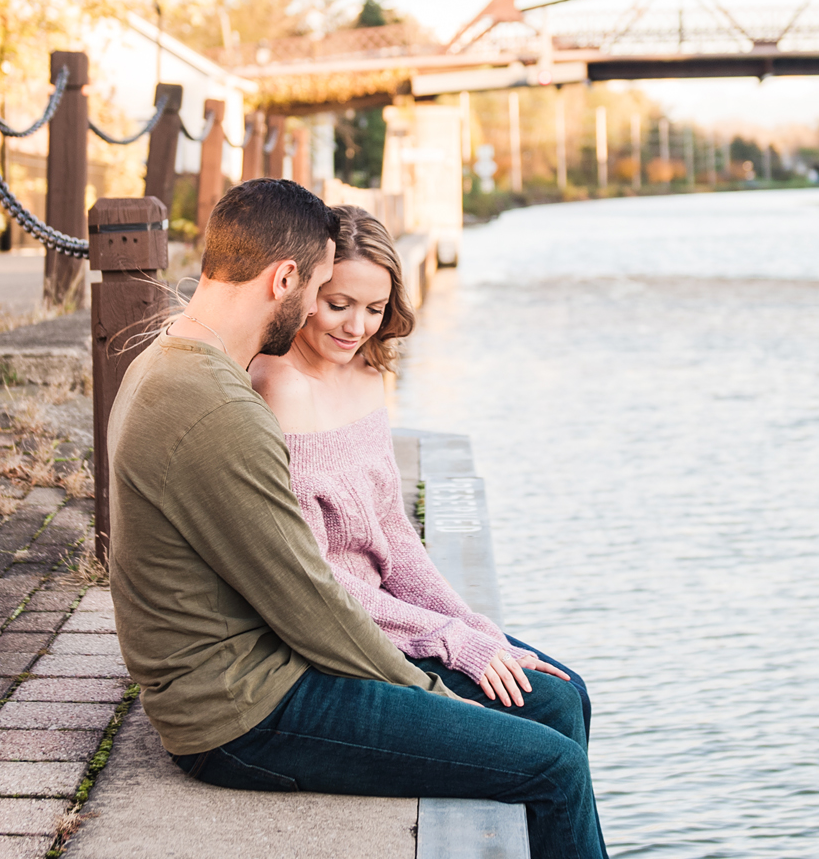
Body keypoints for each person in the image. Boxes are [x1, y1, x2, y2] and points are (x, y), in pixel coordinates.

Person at [106, 179, 691, 859]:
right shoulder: (220, 403)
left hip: (263, 671)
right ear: (284, 281)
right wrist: (435, 685)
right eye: (319, 290)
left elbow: (343, 564)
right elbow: (311, 598)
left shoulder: (183, 366)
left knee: (554, 708)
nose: (328, 315)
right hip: (244, 710)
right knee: (551, 764)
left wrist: (472, 629)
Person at [251, 205, 592, 739]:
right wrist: (447, 638)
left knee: (570, 689)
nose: (356, 327)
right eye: (338, 304)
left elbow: (391, 531)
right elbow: (316, 576)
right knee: (550, 706)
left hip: (390, 615)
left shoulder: (364, 371)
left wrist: (474, 626)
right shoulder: (280, 387)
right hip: (343, 637)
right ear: (305, 290)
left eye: (373, 309)